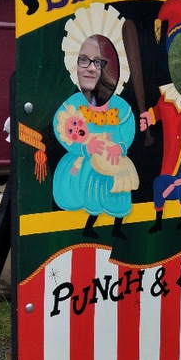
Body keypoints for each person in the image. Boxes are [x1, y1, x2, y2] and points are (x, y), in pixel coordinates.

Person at [53, 34, 138, 239]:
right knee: (92, 195)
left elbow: (127, 126)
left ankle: (117, 228)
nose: (91, 68)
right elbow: (63, 131)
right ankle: (88, 228)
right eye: (83, 60)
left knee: (119, 195)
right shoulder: (71, 105)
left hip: (114, 166)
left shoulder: (117, 105)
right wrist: (84, 149)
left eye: (97, 62)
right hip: (88, 170)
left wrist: (120, 146)